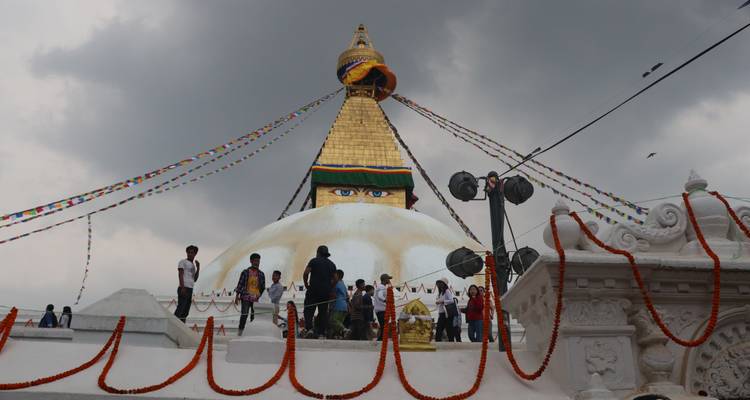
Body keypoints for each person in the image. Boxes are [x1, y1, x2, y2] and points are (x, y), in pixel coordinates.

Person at [303, 245, 337, 338]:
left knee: (309, 310)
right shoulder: (332, 264)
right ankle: (322, 332)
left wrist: (306, 284)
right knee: (323, 312)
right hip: (325, 292)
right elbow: (336, 278)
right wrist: (330, 287)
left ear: (318, 253)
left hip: (313, 289)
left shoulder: (314, 261)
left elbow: (306, 273)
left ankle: (309, 329)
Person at [234, 253, 266, 335]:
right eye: (255, 261)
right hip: (246, 297)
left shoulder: (261, 274)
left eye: (258, 261)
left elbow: (263, 286)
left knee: (254, 316)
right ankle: (240, 331)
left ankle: (253, 332)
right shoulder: (245, 272)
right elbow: (240, 284)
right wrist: (237, 296)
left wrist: (260, 294)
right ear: (251, 261)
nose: (257, 263)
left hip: (256, 297)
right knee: (244, 314)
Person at [174, 245, 200, 323]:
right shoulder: (183, 262)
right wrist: (182, 287)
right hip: (184, 287)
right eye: (188, 252)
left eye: (192, 253)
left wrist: (198, 268)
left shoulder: (193, 265)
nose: (190, 254)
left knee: (186, 311)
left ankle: (182, 326)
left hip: (190, 289)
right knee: (180, 308)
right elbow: (180, 274)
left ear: (195, 254)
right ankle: (175, 324)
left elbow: (195, 279)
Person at [435, 278, 457, 342]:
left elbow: (451, 300)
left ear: (444, 284)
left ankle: (451, 341)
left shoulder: (447, 291)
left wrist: (442, 301)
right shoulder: (440, 292)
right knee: (439, 328)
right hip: (442, 312)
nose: (439, 284)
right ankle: (438, 341)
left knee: (448, 328)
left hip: (447, 313)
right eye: (438, 283)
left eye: (441, 283)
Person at [329, 269, 349, 338]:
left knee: (333, 320)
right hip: (344, 306)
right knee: (339, 322)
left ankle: (345, 330)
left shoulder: (336, 284)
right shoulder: (343, 284)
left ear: (338, 275)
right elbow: (347, 296)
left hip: (338, 306)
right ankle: (338, 335)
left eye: (334, 275)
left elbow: (333, 295)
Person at [373, 273, 391, 341]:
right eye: (388, 279)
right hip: (382, 310)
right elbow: (380, 296)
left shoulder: (380, 287)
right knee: (384, 326)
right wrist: (386, 301)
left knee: (383, 326)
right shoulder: (382, 287)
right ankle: (381, 340)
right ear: (385, 279)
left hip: (380, 309)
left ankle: (381, 339)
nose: (389, 280)